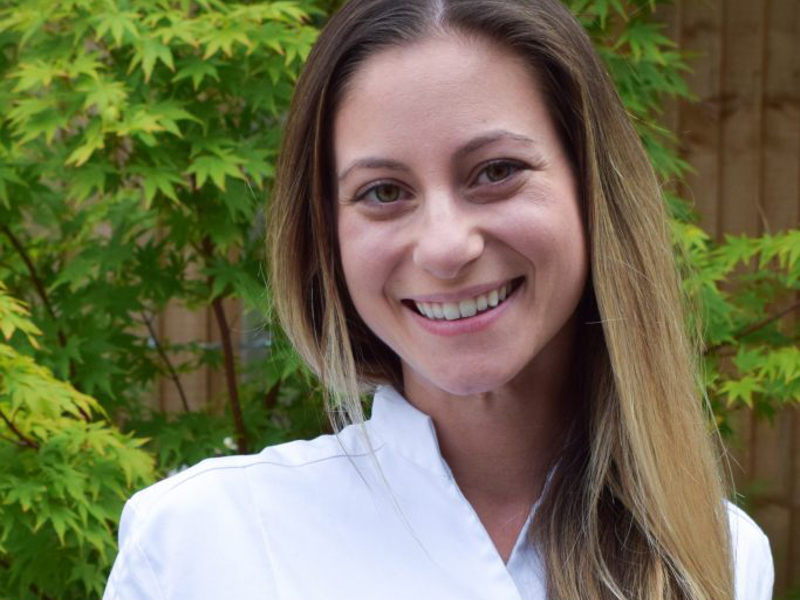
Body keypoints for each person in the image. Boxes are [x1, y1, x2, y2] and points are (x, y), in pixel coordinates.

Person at [103, 1, 775, 599]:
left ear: (592, 191)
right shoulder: (203, 540)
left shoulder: (718, 553)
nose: (445, 247)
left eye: (496, 172)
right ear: (327, 238)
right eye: (384, 192)